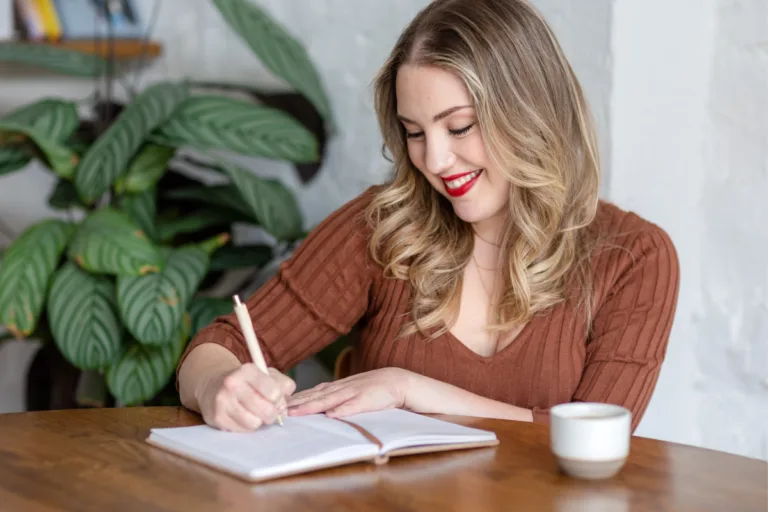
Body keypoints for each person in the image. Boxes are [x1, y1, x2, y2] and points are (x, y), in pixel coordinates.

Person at [177, 0, 680, 434]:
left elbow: (598, 434)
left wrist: (408, 390)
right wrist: (218, 384)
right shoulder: (384, 226)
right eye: (414, 133)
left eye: (459, 127)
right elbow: (219, 345)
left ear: (530, 113)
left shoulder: (634, 257)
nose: (434, 161)